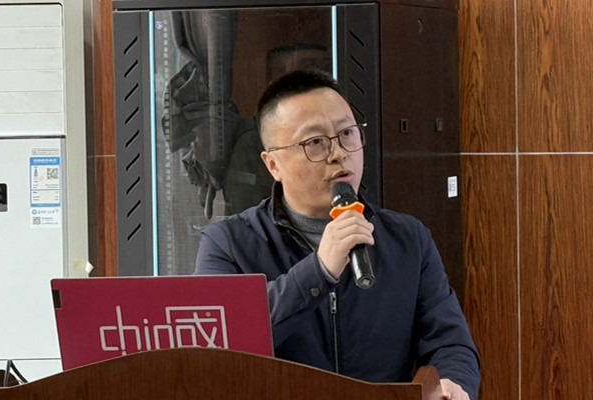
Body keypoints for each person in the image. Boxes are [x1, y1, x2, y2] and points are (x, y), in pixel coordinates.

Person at [195, 69, 480, 399]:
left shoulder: (408, 238)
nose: (339, 153)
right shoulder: (227, 243)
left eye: (347, 133)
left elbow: (450, 342)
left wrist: (454, 383)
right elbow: (218, 348)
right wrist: (319, 271)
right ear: (272, 164)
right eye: (315, 142)